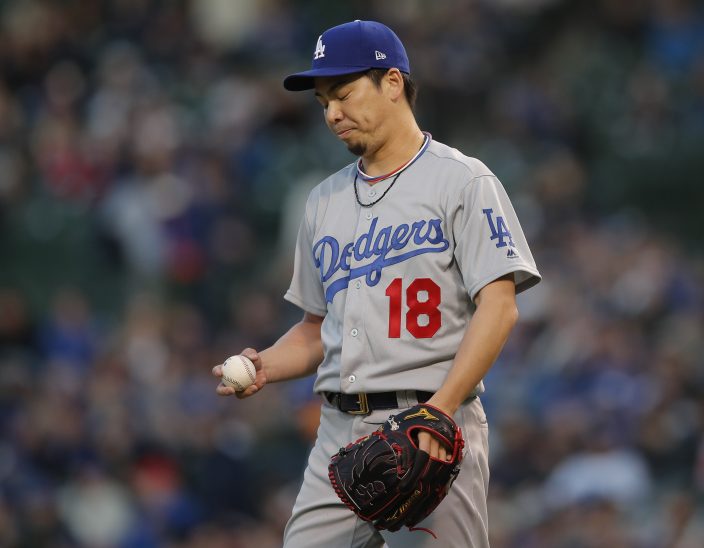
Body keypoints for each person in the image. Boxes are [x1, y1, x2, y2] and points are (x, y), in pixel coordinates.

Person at [213, 19, 541, 548]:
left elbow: (499, 308)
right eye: (322, 103)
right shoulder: (321, 202)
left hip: (434, 422)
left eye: (342, 94)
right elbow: (316, 329)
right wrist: (263, 366)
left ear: (392, 83)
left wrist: (441, 409)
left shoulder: (463, 181)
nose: (332, 114)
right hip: (339, 436)